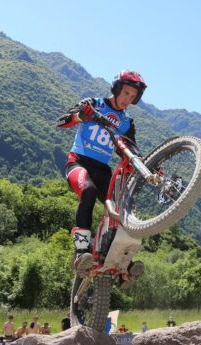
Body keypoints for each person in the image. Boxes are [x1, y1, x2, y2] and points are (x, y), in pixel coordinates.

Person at [57, 70, 148, 278]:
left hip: (103, 170)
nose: (128, 99)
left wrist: (145, 164)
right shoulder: (93, 104)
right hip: (78, 163)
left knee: (123, 207)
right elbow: (61, 122)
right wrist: (81, 115)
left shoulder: (126, 122)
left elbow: (132, 149)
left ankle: (122, 258)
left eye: (133, 97)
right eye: (126, 93)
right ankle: (81, 251)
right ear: (116, 89)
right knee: (88, 191)